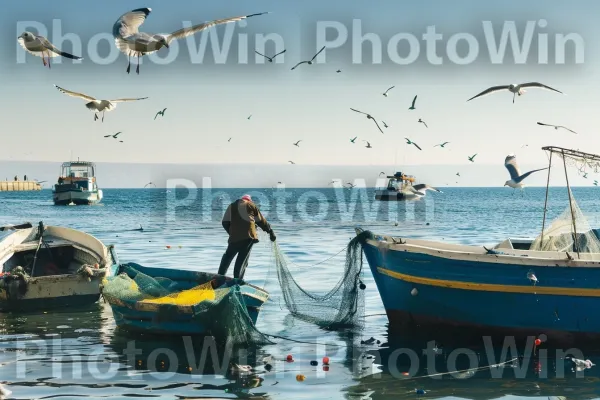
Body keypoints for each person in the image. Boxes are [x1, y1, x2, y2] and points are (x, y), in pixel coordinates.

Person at [218, 194, 276, 279]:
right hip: (248, 237)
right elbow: (261, 221)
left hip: (234, 238)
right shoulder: (251, 205)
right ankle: (237, 280)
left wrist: (232, 233)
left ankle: (219, 277)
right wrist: (270, 231)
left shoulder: (232, 206)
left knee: (227, 257)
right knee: (242, 261)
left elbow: (225, 222)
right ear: (249, 200)